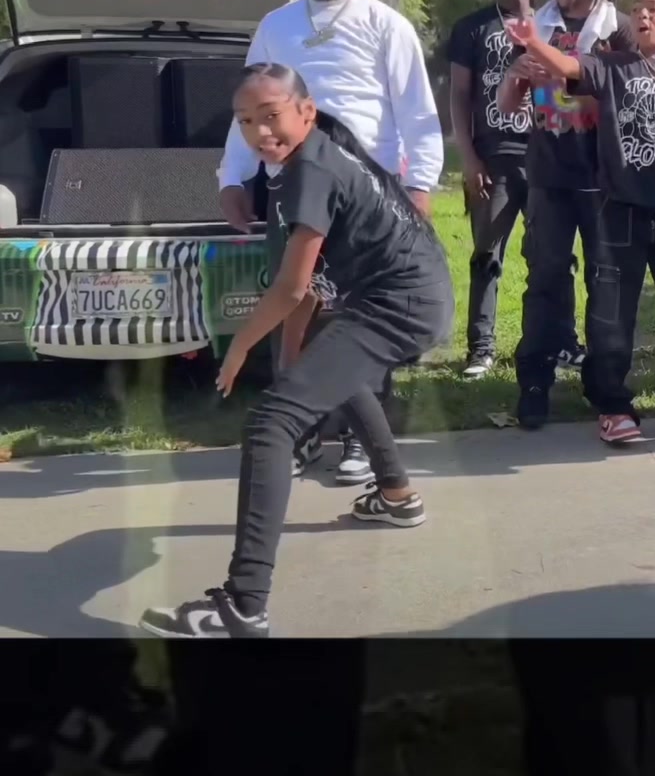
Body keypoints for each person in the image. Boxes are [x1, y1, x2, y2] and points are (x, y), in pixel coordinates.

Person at [141, 65, 453, 638]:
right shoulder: (309, 157)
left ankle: (243, 606)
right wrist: (291, 358)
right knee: (329, 375)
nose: (259, 132)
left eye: (271, 116)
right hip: (405, 297)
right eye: (245, 122)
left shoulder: (310, 169)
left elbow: (289, 286)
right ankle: (397, 494)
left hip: (398, 304)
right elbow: (307, 289)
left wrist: (238, 349)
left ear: (306, 111)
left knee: (269, 425)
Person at [215, 0, 443, 488]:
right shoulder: (277, 26)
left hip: (367, 202)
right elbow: (248, 110)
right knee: (295, 311)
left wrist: (418, 188)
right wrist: (232, 176)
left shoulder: (386, 27)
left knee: (360, 321)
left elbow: (418, 117)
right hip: (293, 194)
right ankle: (300, 431)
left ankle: (361, 442)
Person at [506, 0, 655, 444]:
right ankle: (612, 406)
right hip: (620, 210)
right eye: (637, 9)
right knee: (613, 315)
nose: (642, 14)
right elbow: (567, 67)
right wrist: (531, 40)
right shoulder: (610, 67)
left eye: (653, 9)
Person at [498, 0, 631, 429]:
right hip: (548, 172)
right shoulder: (537, 25)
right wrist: (517, 72)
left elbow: (620, 92)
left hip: (602, 176)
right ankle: (534, 382)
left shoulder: (617, 28)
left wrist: (562, 74)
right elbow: (507, 105)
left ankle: (605, 387)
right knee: (545, 277)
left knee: (606, 280)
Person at [447, 0, 536, 379]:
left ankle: (549, 342)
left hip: (545, 158)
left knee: (549, 255)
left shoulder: (551, 26)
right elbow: (459, 96)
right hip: (492, 157)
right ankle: (480, 348)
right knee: (487, 252)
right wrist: (468, 158)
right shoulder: (473, 28)